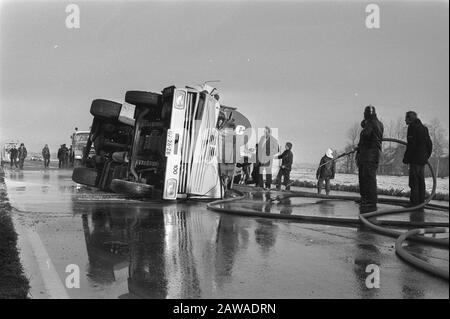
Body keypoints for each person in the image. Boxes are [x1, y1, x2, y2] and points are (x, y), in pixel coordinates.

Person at [355, 105, 384, 212]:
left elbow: (366, 135)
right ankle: (368, 199)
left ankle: (369, 200)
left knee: (366, 178)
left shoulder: (371, 123)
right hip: (372, 155)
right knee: (369, 178)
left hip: (368, 155)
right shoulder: (379, 123)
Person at [402, 111, 433, 208]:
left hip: (415, 159)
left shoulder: (412, 128)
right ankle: (421, 203)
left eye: (406, 118)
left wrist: (406, 158)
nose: (404, 120)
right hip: (422, 160)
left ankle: (414, 203)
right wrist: (426, 156)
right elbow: (429, 144)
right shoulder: (424, 128)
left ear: (410, 119)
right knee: (421, 181)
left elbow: (411, 145)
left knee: (414, 181)